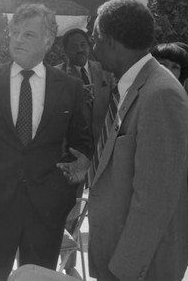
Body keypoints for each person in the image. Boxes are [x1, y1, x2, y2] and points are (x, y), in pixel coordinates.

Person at [0, 3, 92, 281]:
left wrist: (65, 187)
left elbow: (82, 142)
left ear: (48, 40)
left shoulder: (69, 86)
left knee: (37, 278)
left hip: (46, 208)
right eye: (14, 32)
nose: (17, 39)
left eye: (28, 34)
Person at [85, 0, 188, 280]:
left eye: (95, 40)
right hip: (119, 256)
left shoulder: (160, 94)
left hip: (139, 267)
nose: (93, 49)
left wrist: (124, 271)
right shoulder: (134, 86)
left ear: (109, 41)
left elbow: (154, 200)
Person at [55, 28, 114, 277]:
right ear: (65, 50)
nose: (80, 49)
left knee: (103, 208)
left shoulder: (106, 71)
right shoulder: (56, 75)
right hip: (72, 156)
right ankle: (68, 265)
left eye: (84, 44)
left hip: (103, 151)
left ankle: (103, 262)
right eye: (74, 46)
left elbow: (116, 103)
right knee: (70, 211)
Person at [151, 42, 188, 255]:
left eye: (174, 66)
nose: (167, 69)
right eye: (161, 63)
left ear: (182, 75)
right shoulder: (131, 106)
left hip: (175, 210)